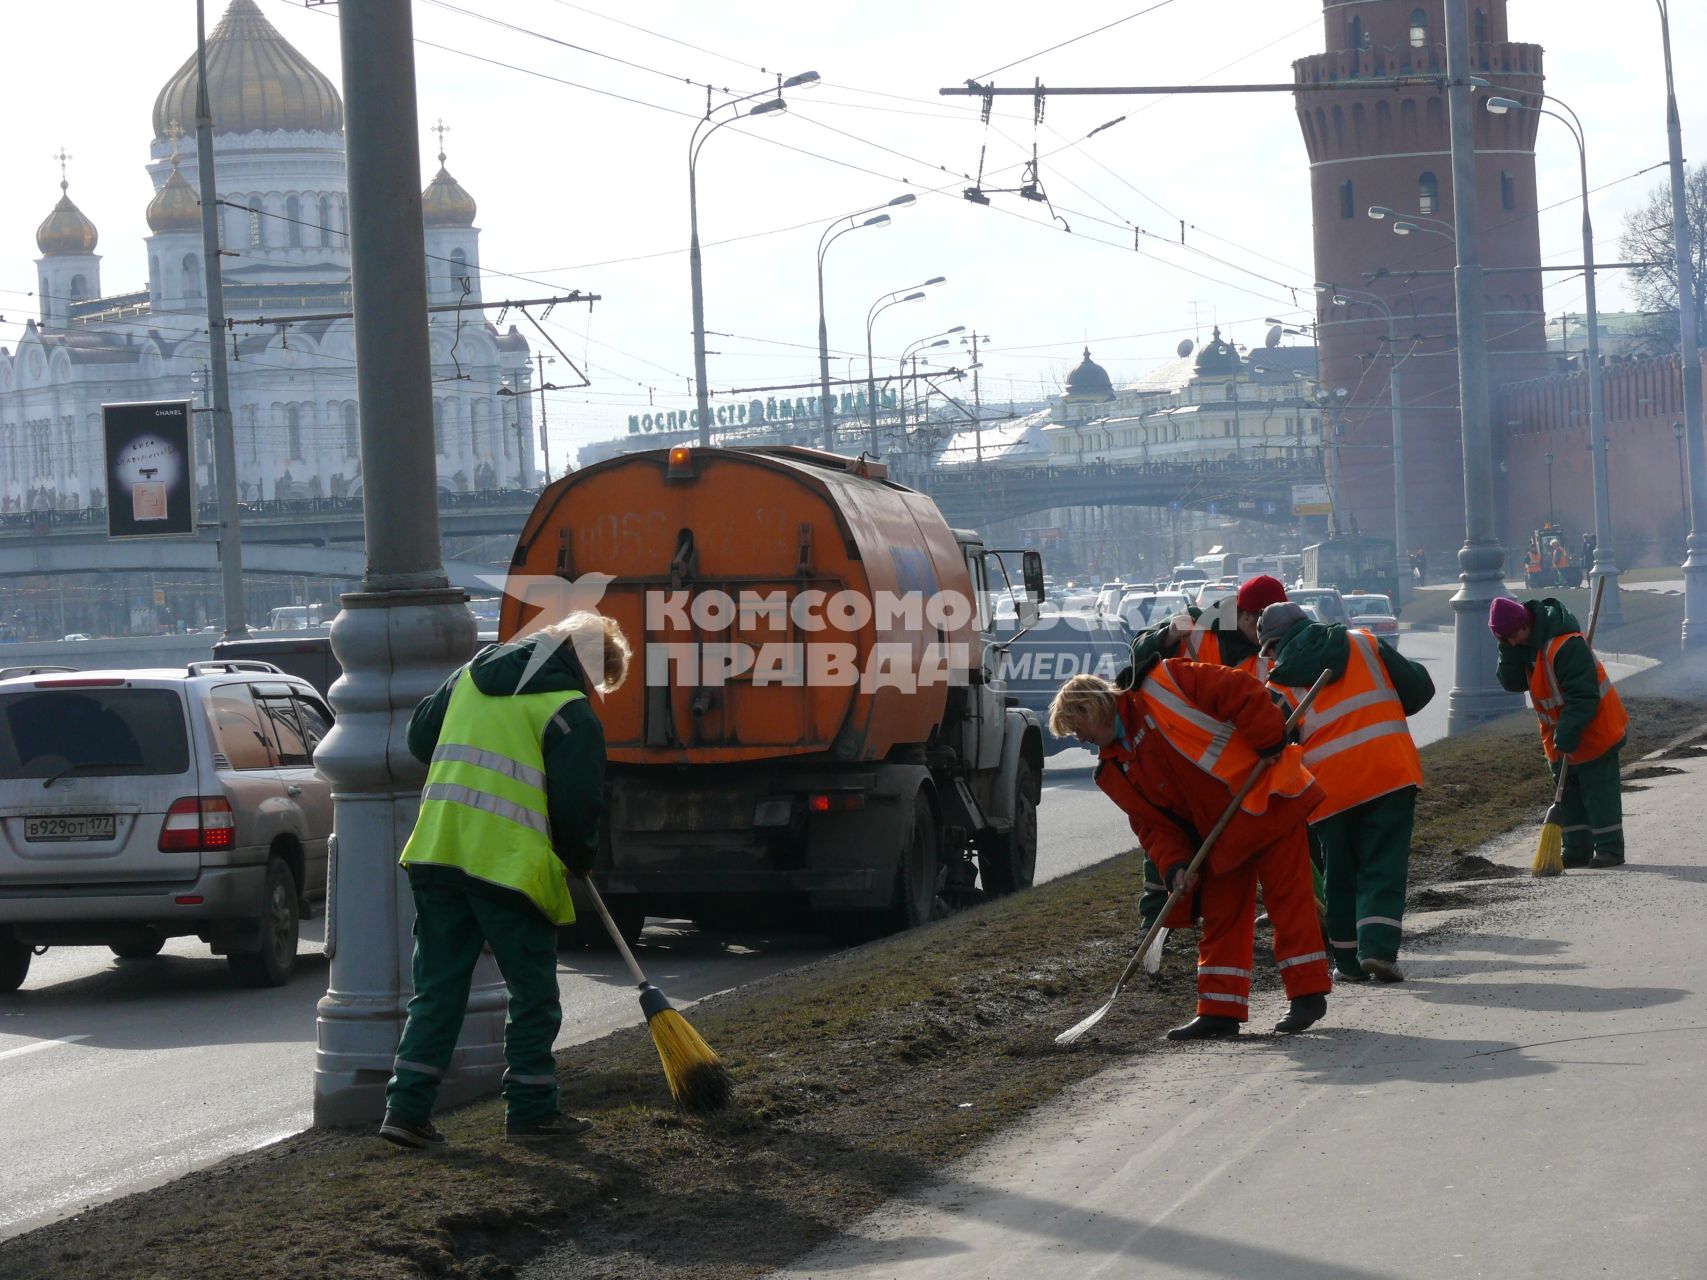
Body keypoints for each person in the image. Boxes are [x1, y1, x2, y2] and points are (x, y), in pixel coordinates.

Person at [379, 610, 632, 1151]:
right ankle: (532, 1111)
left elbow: (421, 736)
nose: (596, 690)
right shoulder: (570, 713)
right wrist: (578, 856)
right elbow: (578, 804)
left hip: (439, 849)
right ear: (588, 666)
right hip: (508, 866)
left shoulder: (473, 673)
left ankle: (406, 1109)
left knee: (438, 989)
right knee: (533, 993)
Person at [1049, 664, 1332, 1040]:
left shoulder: (1164, 685)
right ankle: (1219, 1011)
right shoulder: (1114, 769)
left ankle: (1308, 995)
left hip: (1264, 800)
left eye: (1077, 728)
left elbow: (1239, 690)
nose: (1080, 739)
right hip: (1217, 838)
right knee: (1221, 919)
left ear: (1091, 710)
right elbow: (1152, 828)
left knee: (1290, 902)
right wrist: (1175, 868)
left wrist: (1267, 738)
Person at [1261, 601, 1434, 984]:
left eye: (1269, 651)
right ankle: (1377, 950)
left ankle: (1348, 962)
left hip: (1330, 790)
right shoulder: (1364, 643)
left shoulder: (1280, 683)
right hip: (1389, 772)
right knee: (1382, 864)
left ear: (1275, 645)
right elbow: (1420, 689)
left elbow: (1266, 743)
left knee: (1341, 872)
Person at [1120, 573, 1288, 948]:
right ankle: (1154, 923)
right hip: (1176, 750)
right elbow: (1134, 657)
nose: (1264, 636)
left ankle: (1245, 916)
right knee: (1168, 835)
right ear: (1243, 614)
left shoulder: (1271, 648)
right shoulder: (1193, 626)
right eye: (1259, 623)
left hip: (1229, 763)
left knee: (1242, 843)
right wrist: (1164, 638)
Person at [1489, 596, 1628, 868]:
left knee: (1599, 794)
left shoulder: (1567, 646)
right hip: (1559, 736)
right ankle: (1577, 849)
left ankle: (1610, 849)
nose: (1514, 642)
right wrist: (1509, 652)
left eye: (1514, 635)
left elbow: (1584, 695)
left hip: (1596, 731)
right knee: (1570, 795)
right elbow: (1512, 683)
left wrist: (1568, 729)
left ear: (1526, 623)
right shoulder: (1525, 648)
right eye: (1506, 640)